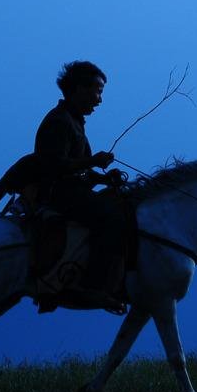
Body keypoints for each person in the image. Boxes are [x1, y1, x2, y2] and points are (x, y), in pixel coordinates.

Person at [33, 60, 128, 310]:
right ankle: (93, 286)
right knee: (113, 219)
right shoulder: (59, 121)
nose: (99, 100)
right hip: (60, 195)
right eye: (97, 91)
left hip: (72, 190)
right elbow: (55, 166)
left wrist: (103, 178)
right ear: (77, 89)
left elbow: (78, 170)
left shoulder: (73, 122)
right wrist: (93, 161)